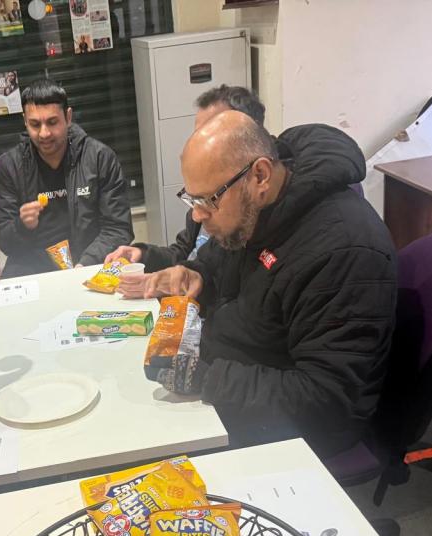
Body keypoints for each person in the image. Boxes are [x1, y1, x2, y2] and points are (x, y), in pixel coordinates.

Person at [143, 111, 397, 457]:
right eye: (192, 199)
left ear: (260, 175)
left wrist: (206, 378)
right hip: (235, 380)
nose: (197, 216)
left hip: (294, 434)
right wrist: (196, 273)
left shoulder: (344, 250)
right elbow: (217, 264)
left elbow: (328, 401)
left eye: (207, 201)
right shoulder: (252, 212)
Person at [106, 84, 267, 283]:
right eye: (197, 136)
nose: (197, 214)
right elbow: (184, 252)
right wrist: (144, 255)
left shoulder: (246, 215)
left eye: (211, 136)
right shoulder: (206, 194)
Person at [0, 78, 133, 277]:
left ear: (68, 117)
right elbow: (5, 240)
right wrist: (21, 225)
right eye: (35, 124)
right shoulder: (12, 166)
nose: (44, 133)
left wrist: (86, 264)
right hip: (32, 265)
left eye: (52, 122)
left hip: (89, 259)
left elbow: (118, 228)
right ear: (25, 121)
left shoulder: (99, 158)